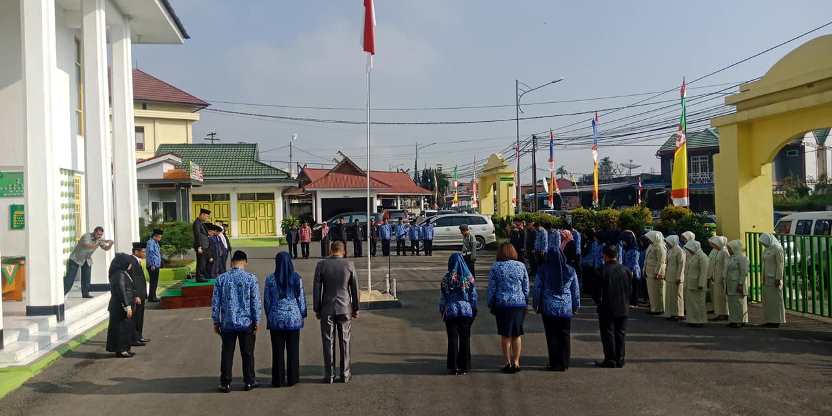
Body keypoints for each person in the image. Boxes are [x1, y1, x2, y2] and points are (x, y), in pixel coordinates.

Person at [212, 250, 261, 393]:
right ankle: (249, 381)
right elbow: (255, 301)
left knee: (227, 352)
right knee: (247, 353)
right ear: (244, 262)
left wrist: (216, 321)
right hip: (246, 322)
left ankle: (225, 382)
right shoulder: (251, 278)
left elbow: (216, 302)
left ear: (232, 262)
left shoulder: (221, 279)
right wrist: (257, 320)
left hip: (227, 322)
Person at [313, 241, 360, 384]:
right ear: (343, 251)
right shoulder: (349, 265)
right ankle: (345, 374)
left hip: (327, 306)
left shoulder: (321, 265)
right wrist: (356, 308)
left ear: (330, 250)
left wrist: (317, 308)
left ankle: (330, 375)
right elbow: (355, 289)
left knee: (328, 341)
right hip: (345, 307)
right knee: (345, 341)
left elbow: (316, 289)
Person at [533, 246, 580, 371]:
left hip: (549, 308)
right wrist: (576, 306)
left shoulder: (543, 270)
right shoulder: (570, 270)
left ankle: (554, 363)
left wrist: (535, 304)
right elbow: (575, 291)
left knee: (552, 335)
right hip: (566, 307)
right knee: (565, 335)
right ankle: (565, 362)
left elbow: (537, 289)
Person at [264, 252, 307, 387]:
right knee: (293, 350)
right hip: (293, 319)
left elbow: (267, 301)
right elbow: (301, 299)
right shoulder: (296, 278)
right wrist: (302, 314)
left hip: (276, 319)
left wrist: (269, 315)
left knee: (277, 351)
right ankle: (293, 378)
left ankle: (278, 379)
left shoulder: (270, 279)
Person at [487, 243, 529, 374]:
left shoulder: (496, 267)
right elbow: (526, 287)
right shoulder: (521, 266)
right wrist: (525, 300)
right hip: (518, 303)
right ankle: (516, 362)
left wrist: (490, 303)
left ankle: (507, 362)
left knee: (505, 335)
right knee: (516, 334)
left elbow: (492, 288)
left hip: (502, 304)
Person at [593, 244, 632, 368]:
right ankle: (620, 358)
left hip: (607, 306)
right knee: (620, 333)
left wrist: (599, 302)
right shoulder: (626, 270)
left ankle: (610, 358)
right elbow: (630, 288)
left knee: (607, 333)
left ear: (604, 255)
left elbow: (595, 292)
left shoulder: (601, 270)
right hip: (623, 305)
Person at [439, 253, 477, 375]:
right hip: (466, 311)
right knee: (465, 338)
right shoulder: (469, 277)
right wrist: (473, 308)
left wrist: (442, 310)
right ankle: (464, 366)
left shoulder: (446, 278)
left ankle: (453, 366)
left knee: (452, 339)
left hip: (451, 311)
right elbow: (473, 296)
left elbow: (443, 297)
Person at [63, 226, 114, 297]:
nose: (99, 236)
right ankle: (63, 293)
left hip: (87, 259)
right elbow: (88, 246)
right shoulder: (86, 236)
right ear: (94, 232)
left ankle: (85, 293)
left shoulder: (99, 240)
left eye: (101, 235)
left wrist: (110, 244)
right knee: (70, 278)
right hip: (76, 258)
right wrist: (98, 243)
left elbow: (105, 248)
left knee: (86, 277)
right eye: (98, 234)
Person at [106, 253, 136, 358]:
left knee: (126, 328)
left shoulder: (122, 272)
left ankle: (125, 348)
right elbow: (121, 291)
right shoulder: (119, 274)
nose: (130, 265)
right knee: (120, 329)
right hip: (119, 307)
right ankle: (121, 350)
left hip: (122, 306)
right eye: (128, 263)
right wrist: (127, 306)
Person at [759, 233, 786, 328]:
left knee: (776, 301)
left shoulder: (778, 249)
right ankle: (769, 320)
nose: (763, 244)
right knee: (768, 301)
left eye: (764, 242)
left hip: (774, 278)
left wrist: (778, 278)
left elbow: (780, 265)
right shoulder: (767, 248)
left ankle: (777, 320)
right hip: (766, 278)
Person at [683, 240, 709, 327]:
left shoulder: (702, 257)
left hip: (698, 284)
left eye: (690, 248)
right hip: (691, 283)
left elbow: (704, 272)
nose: (689, 250)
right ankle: (692, 320)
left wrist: (701, 284)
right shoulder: (694, 256)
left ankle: (699, 321)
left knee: (698, 303)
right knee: (692, 303)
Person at [129, 242, 150, 346]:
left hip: (141, 295)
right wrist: (136, 295)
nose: (145, 253)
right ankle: (134, 339)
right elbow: (132, 280)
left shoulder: (137, 261)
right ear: (136, 252)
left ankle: (139, 336)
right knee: (135, 318)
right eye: (143, 251)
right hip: (136, 296)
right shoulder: (132, 262)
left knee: (140, 317)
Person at [725, 240, 750, 328]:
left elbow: (744, 272)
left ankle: (740, 320)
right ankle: (733, 320)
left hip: (737, 283)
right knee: (732, 302)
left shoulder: (742, 258)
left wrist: (740, 284)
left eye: (729, 248)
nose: (728, 250)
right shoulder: (731, 257)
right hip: (730, 283)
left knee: (739, 302)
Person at [643, 231, 666, 315]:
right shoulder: (651, 245)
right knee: (652, 291)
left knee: (657, 291)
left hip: (655, 273)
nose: (648, 239)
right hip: (649, 271)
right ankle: (654, 307)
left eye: (650, 237)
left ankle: (659, 309)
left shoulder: (660, 247)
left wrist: (657, 272)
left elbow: (661, 261)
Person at [708, 236, 730, 321]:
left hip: (721, 278)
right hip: (716, 277)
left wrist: (723, 276)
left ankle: (724, 313)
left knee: (722, 297)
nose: (714, 246)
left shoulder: (724, 252)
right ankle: (720, 313)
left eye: (715, 244)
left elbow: (726, 265)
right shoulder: (719, 251)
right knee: (718, 296)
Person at [664, 235, 685, 321]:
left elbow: (681, 265)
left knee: (677, 295)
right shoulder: (670, 250)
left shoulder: (680, 251)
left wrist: (679, 277)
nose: (667, 244)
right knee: (670, 296)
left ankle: (679, 313)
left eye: (668, 242)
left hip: (676, 276)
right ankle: (672, 313)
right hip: (669, 275)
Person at [620, 230, 642, 306]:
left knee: (634, 287)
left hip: (633, 271)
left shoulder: (635, 249)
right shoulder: (625, 248)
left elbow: (634, 262)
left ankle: (634, 302)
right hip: (626, 270)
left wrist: (631, 271)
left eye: (624, 240)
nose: (623, 242)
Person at [193, 208, 211, 282]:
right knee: (201, 262)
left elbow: (204, 234)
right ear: (202, 215)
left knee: (203, 262)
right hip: (201, 246)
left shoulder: (201, 223)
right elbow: (197, 235)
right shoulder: (197, 223)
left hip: (205, 246)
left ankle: (202, 276)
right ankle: (199, 277)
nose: (207, 218)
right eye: (206, 216)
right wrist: (199, 246)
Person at [145, 229, 163, 303]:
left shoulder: (156, 243)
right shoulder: (151, 242)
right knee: (153, 281)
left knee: (155, 281)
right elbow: (151, 254)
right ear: (155, 236)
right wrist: (152, 264)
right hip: (153, 265)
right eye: (159, 237)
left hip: (156, 265)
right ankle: (152, 297)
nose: (160, 238)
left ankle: (152, 296)